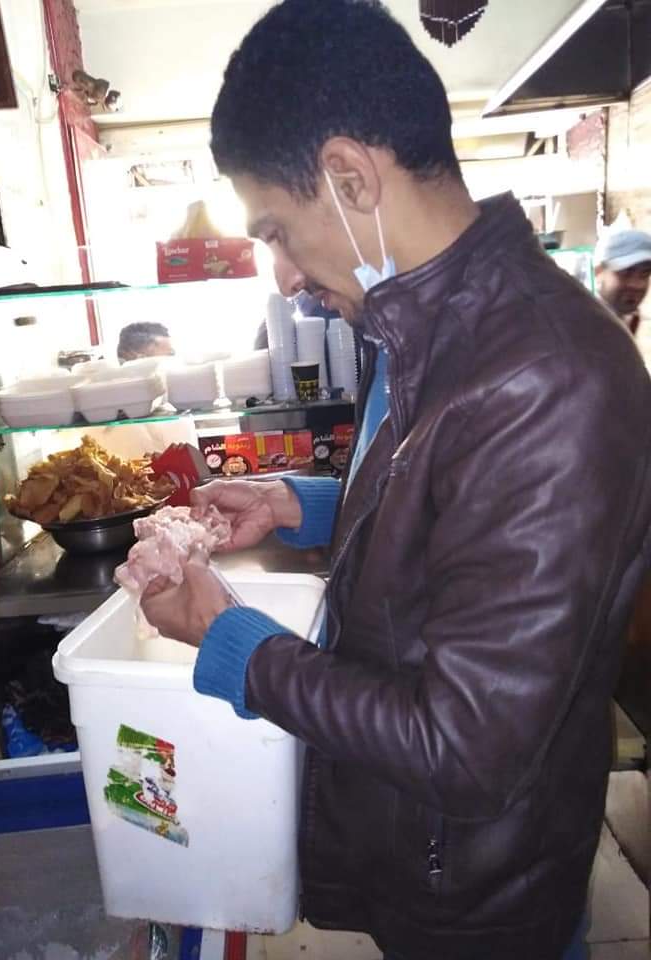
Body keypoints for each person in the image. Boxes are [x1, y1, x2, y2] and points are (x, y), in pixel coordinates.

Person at [141, 2, 651, 958]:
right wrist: (299, 503)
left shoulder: (548, 377)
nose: (283, 274)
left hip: (481, 900)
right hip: (419, 855)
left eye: (277, 231)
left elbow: (467, 748)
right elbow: (453, 497)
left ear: (349, 177)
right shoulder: (423, 324)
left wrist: (231, 642)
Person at [594, 229, 651, 335]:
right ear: (599, 272)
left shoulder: (631, 319)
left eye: (645, 274)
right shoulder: (582, 323)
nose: (637, 285)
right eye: (626, 273)